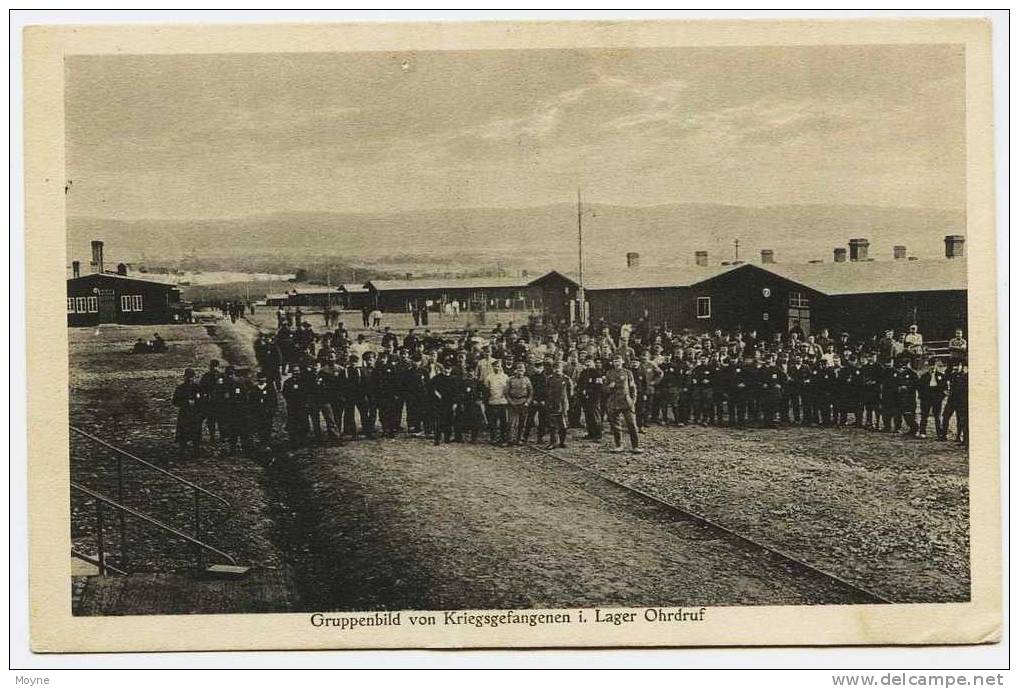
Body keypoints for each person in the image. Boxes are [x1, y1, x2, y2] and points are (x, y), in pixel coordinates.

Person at [602, 354, 641, 454]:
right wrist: (609, 387)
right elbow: (604, 389)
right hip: (614, 401)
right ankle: (619, 445)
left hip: (626, 401)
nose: (617, 363)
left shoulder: (628, 373)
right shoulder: (609, 373)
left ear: (622, 362)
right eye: (615, 361)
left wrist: (633, 400)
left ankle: (635, 446)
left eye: (619, 361)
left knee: (631, 424)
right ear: (612, 363)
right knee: (615, 425)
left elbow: (633, 388)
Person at [171, 368, 203, 456]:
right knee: (183, 432)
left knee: (196, 432)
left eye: (192, 377)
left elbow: (203, 400)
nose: (190, 379)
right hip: (185, 414)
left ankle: (196, 449)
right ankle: (182, 449)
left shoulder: (197, 387)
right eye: (188, 377)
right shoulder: (180, 388)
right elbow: (175, 401)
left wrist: (197, 405)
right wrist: (185, 403)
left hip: (195, 414)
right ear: (185, 377)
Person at [544, 360, 574, 449]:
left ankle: (562, 442)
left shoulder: (566, 379)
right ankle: (553, 442)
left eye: (559, 368)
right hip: (552, 404)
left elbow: (570, 393)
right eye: (555, 368)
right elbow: (546, 391)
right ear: (553, 369)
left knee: (563, 424)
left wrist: (567, 403)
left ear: (562, 369)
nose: (557, 370)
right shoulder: (549, 379)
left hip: (563, 404)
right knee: (552, 425)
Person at [917, 358, 948, 439]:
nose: (932, 367)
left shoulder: (941, 376)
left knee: (937, 417)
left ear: (936, 366)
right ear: (928, 367)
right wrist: (922, 397)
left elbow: (945, 388)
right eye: (930, 366)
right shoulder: (924, 376)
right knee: (924, 415)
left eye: (933, 365)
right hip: (926, 398)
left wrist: (941, 397)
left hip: (937, 399)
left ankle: (939, 433)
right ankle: (922, 432)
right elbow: (920, 388)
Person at [506, 363, 534, 445]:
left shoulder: (527, 380)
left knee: (522, 422)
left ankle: (519, 439)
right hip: (513, 402)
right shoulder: (510, 379)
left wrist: (527, 402)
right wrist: (510, 401)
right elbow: (506, 392)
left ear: (524, 371)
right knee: (511, 422)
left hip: (523, 402)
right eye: (518, 369)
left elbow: (531, 393)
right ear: (516, 370)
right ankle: (511, 439)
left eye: (522, 370)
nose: (520, 371)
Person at [483, 359, 510, 445]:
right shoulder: (489, 377)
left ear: (501, 366)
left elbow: (508, 389)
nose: (497, 368)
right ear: (492, 367)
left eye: (498, 366)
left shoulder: (505, 377)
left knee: (503, 421)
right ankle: (493, 438)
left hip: (503, 402)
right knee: (493, 421)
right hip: (493, 401)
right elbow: (486, 389)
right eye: (495, 366)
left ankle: (504, 438)